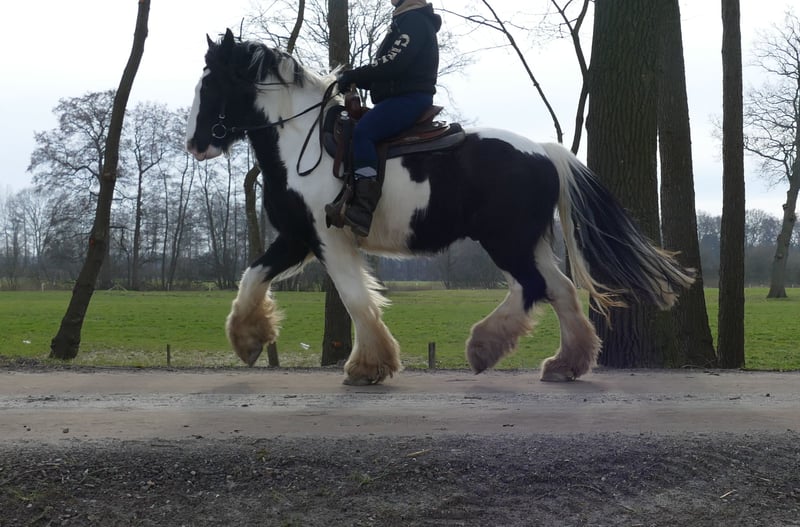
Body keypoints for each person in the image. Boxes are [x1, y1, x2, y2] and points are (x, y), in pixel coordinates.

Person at [335, 0, 442, 237]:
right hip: (401, 97)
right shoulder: (406, 19)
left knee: (364, 132)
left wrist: (355, 75)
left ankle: (363, 208)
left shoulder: (414, 20)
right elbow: (389, 72)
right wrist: (355, 79)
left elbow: (394, 64)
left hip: (409, 99)